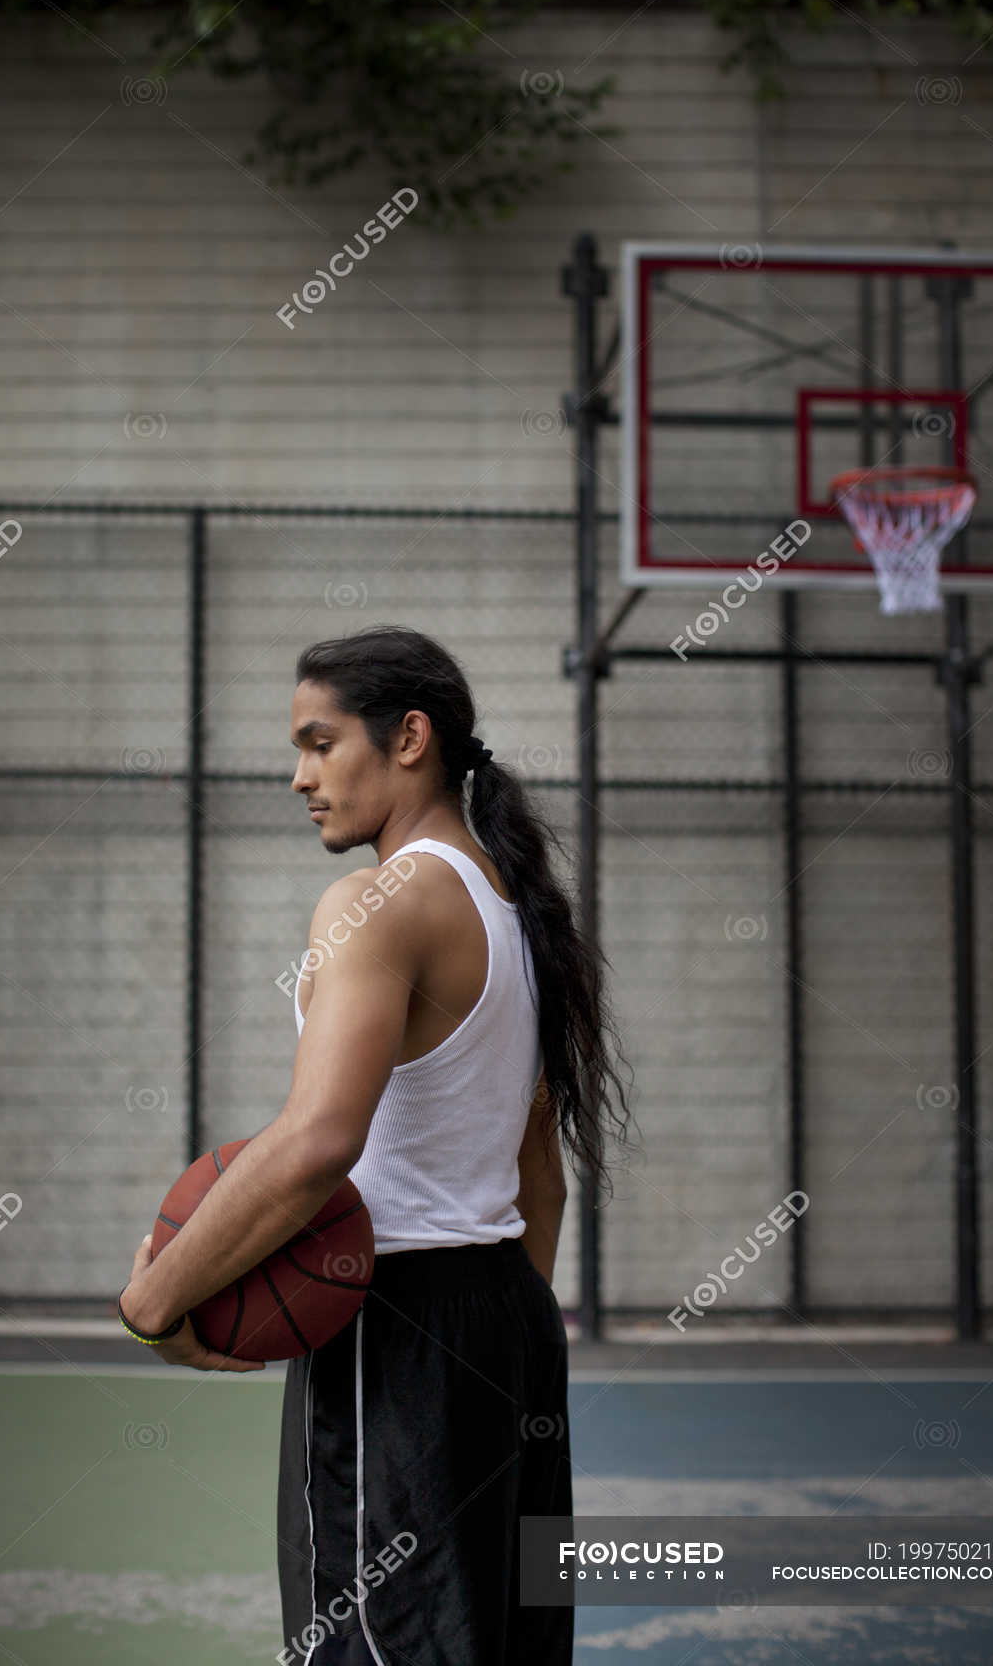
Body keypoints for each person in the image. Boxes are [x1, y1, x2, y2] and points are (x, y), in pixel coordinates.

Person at [121, 623, 633, 1664]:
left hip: (393, 1331)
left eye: (320, 742)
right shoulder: (511, 905)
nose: (300, 775)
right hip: (507, 1322)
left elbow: (316, 1145)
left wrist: (155, 1299)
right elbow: (542, 1177)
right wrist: (498, 1336)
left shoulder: (374, 906)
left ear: (409, 738)